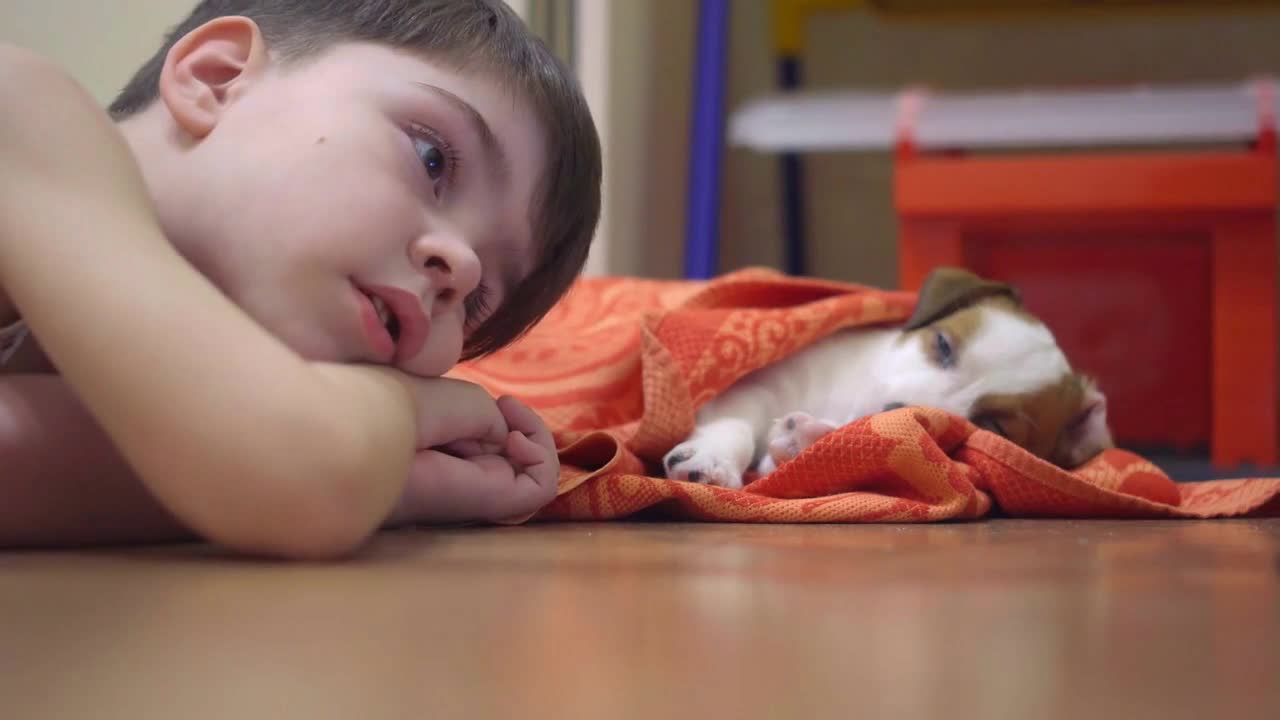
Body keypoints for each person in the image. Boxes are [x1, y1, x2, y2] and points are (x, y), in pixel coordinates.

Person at [0, 0, 601, 559]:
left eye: (476, 304)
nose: (462, 268)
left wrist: (388, 473)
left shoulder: (199, 433)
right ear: (216, 77)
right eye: (432, 160)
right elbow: (296, 471)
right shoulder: (27, 112)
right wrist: (408, 422)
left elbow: (249, 470)